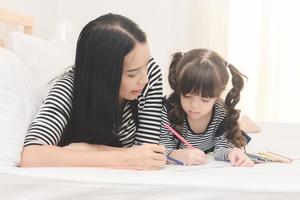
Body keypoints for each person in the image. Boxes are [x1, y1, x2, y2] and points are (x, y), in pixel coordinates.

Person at [20, 13, 166, 170]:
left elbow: (148, 155)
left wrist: (86, 149)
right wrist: (123, 157)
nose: (144, 79)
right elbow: (31, 155)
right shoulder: (69, 87)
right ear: (102, 75)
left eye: (146, 63)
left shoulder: (150, 74)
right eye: (132, 73)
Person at [159, 49, 254, 167]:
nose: (194, 105)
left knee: (239, 131)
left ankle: (244, 122)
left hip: (213, 140)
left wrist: (232, 153)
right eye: (187, 96)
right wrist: (178, 155)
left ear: (217, 96)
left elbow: (221, 149)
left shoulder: (222, 112)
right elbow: (162, 150)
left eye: (204, 100)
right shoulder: (168, 112)